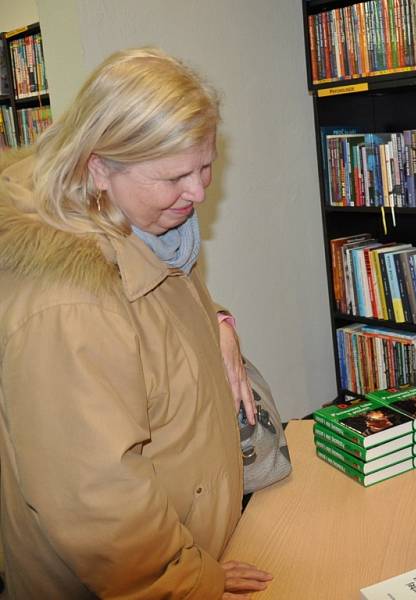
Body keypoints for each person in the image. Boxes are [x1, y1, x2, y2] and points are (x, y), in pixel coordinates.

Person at [0, 48, 272, 597]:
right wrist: (192, 581)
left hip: (190, 553)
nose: (198, 192)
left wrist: (217, 318)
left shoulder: (141, 226)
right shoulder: (67, 302)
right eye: (175, 175)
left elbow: (155, 319)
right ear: (99, 167)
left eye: (205, 165)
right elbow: (97, 500)